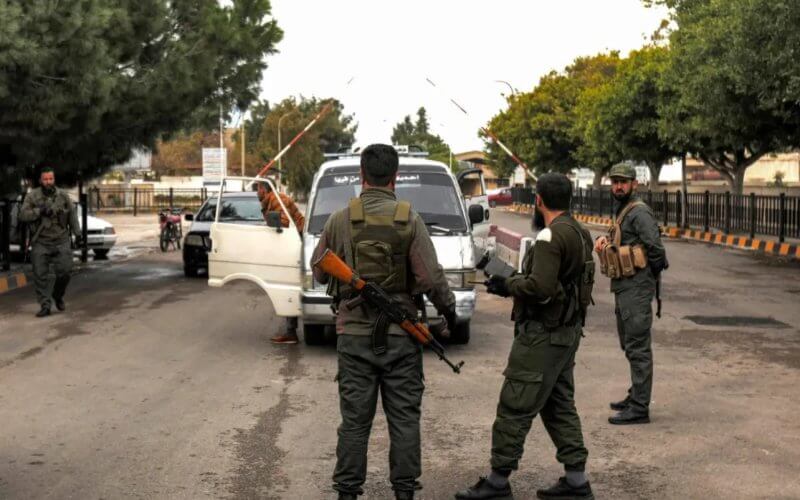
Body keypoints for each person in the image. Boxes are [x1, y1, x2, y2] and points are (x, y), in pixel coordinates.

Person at [312, 144, 456, 500]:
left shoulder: (340, 218)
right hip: (401, 338)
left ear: (362, 175)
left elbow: (318, 270)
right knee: (405, 420)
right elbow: (431, 279)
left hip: (353, 336)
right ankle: (404, 492)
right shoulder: (409, 219)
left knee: (355, 423)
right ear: (396, 177)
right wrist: (449, 310)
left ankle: (347, 492)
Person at [456, 173, 594, 500]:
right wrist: (516, 281)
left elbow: (541, 288)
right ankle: (576, 481)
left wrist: (508, 285)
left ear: (539, 200)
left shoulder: (550, 237)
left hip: (543, 336)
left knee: (515, 403)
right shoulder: (579, 231)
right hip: (565, 332)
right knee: (558, 404)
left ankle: (497, 482)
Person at [594, 163, 667, 425]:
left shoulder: (639, 213)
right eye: (614, 182)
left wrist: (646, 278)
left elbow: (657, 251)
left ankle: (639, 407)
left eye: (623, 182)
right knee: (629, 343)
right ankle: (636, 394)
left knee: (638, 346)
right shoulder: (624, 211)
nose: (618, 186)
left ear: (635, 183)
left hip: (635, 288)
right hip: (625, 287)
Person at [18, 167, 81, 318]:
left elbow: (72, 215)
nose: (48, 182)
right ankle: (45, 305)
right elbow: (23, 215)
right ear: (40, 181)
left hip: (61, 239)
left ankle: (57, 295)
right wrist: (39, 212)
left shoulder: (63, 196)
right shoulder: (32, 197)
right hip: (41, 241)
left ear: (54, 180)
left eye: (50, 179)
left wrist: (77, 234)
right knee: (40, 275)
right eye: (45, 179)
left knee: (66, 272)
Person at [256, 178, 305, 344]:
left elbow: (283, 225)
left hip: (293, 244)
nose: (257, 192)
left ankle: (291, 332)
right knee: (288, 286)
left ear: (264, 189)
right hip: (293, 243)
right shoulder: (272, 200)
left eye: (258, 188)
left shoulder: (277, 200)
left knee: (288, 287)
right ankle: (291, 330)